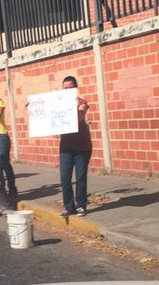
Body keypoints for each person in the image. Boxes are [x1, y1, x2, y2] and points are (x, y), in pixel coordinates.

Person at [59, 76, 92, 218]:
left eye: (70, 87)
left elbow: (78, 117)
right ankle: (69, 207)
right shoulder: (57, 103)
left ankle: (81, 206)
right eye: (65, 88)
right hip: (66, 147)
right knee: (65, 178)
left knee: (80, 177)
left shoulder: (82, 103)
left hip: (82, 147)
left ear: (75, 88)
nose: (67, 90)